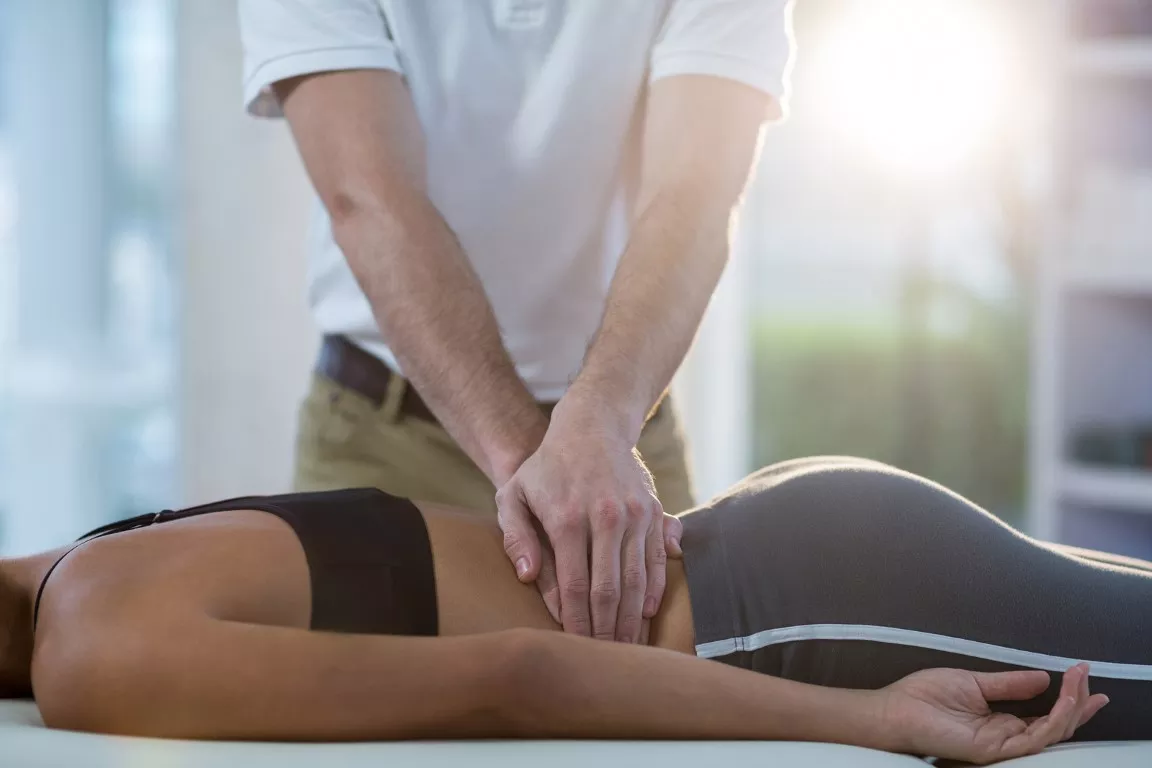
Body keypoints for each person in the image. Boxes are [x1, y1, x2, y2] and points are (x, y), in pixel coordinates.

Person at [237, 0, 793, 642]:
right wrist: (552, 478)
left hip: (620, 449)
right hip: (385, 440)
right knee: (364, 722)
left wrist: (597, 437)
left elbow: (694, 195)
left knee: (664, 728)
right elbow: (365, 196)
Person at [6, 456, 1152, 763]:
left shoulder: (100, 647)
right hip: (790, 547)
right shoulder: (85, 564)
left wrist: (881, 721)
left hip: (803, 612)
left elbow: (515, 679)